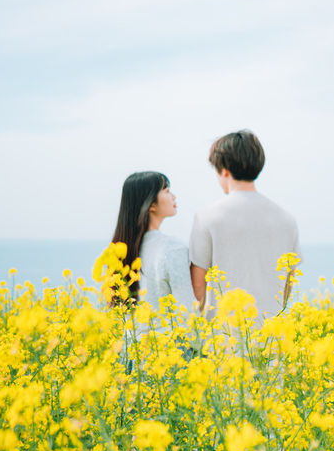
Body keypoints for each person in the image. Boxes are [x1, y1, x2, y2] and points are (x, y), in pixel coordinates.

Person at [189, 130, 301, 318]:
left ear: (224, 170)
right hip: (273, 340)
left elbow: (197, 287)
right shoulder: (287, 219)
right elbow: (288, 283)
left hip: (222, 341)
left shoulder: (206, 217)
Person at [111, 171, 195, 310]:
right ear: (151, 205)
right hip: (167, 332)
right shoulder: (173, 249)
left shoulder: (120, 252)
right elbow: (186, 310)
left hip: (131, 332)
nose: (174, 196)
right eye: (167, 191)